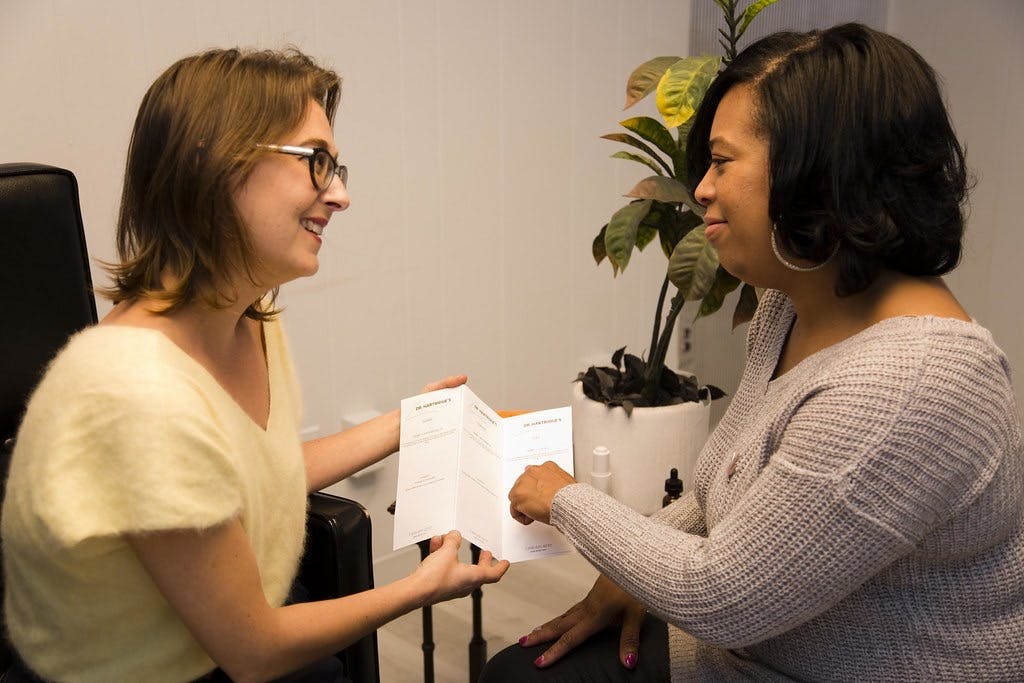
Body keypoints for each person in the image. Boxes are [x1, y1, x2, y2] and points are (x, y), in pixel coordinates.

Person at [484, 23, 1024, 682]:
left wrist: (563, 496)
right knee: (516, 670)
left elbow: (721, 598)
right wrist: (631, 570)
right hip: (751, 650)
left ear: (817, 171)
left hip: (777, 653)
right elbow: (725, 497)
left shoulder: (912, 382)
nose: (702, 189)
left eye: (721, 161)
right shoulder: (792, 302)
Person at [1, 47, 509, 683]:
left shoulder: (250, 318)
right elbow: (254, 650)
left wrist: (412, 422)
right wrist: (420, 587)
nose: (342, 195)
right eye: (316, 162)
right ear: (218, 164)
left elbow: (256, 473)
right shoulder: (133, 392)